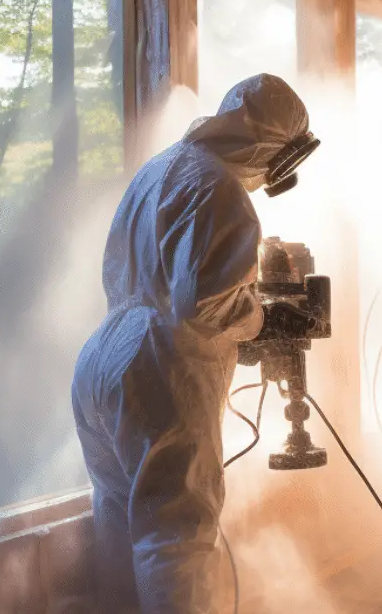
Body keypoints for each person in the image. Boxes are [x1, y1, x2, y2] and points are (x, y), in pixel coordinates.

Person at [71, 73, 314, 613]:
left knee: (118, 519)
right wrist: (261, 317)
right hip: (159, 364)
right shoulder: (218, 186)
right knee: (177, 536)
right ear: (272, 142)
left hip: (103, 356)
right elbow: (206, 305)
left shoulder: (158, 169)